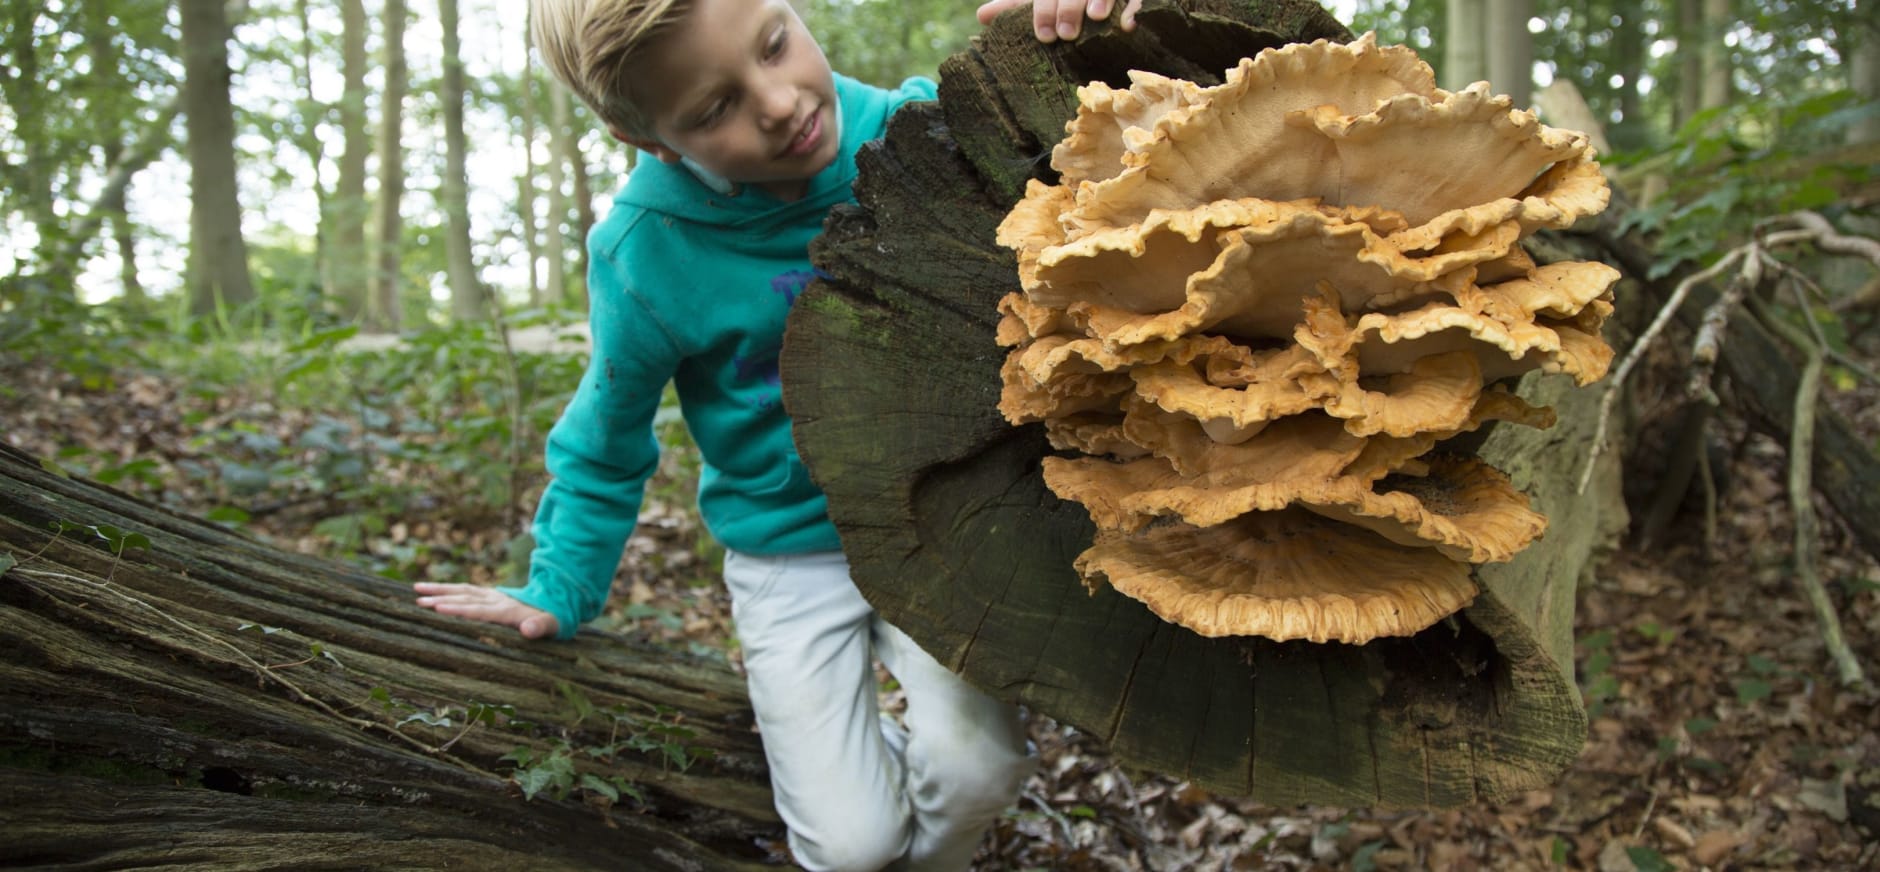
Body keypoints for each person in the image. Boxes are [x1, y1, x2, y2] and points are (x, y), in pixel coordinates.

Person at [415, 0, 1135, 868]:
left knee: (978, 769)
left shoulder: (921, 133)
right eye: (715, 108)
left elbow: (1098, 127)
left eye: (775, 43)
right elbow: (605, 436)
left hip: (939, 523)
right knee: (851, 847)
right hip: (787, 555)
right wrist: (558, 586)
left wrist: (1093, 22)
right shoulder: (648, 253)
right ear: (649, 138)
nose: (781, 102)